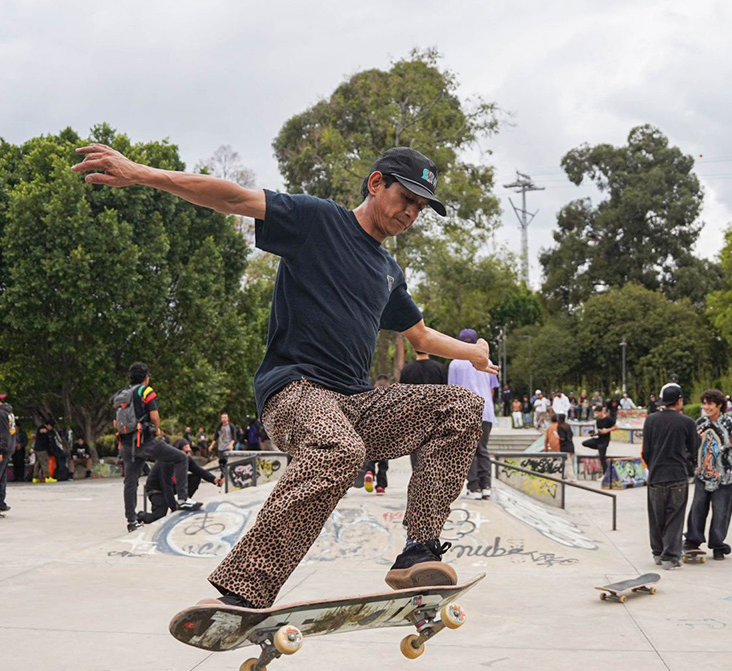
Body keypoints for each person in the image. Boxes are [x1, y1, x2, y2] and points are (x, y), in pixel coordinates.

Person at [74, 141, 493, 608]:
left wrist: (473, 354)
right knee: (340, 448)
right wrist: (142, 174)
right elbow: (233, 197)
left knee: (461, 406)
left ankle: (417, 551)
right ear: (376, 184)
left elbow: (419, 336)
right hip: (294, 391)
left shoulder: (388, 269)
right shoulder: (317, 221)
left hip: (355, 403)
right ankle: (244, 587)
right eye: (406, 199)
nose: (411, 213)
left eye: (420, 207)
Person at [118, 362, 199, 532]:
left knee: (130, 482)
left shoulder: (122, 395)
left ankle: (132, 521)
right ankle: (183, 498)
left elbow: (115, 422)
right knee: (181, 458)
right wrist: (156, 430)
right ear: (146, 377)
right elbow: (154, 416)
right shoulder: (146, 391)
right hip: (145, 441)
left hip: (127, 444)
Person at [640, 383, 699, 569]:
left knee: (656, 516)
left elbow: (646, 451)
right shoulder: (687, 422)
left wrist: (654, 465)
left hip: (656, 475)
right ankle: (670, 557)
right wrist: (685, 460)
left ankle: (657, 553)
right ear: (679, 401)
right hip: (677, 476)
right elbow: (694, 449)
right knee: (675, 516)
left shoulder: (651, 420)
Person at [686, 389, 732, 561]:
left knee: (721, 511)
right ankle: (692, 540)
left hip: (724, 476)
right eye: (704, 404)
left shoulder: (731, 425)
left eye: (710, 404)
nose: (707, 407)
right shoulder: (700, 423)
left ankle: (718, 545)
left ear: (719, 405)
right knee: (698, 508)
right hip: (702, 475)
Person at [448, 329, 496, 500]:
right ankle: (486, 486)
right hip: (486, 411)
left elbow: (452, 392)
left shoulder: (455, 363)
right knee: (482, 450)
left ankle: (473, 488)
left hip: (466, 412)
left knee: (468, 450)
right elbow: (491, 390)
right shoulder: (487, 360)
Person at [139, 438, 225, 524]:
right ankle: (139, 516)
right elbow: (166, 487)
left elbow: (199, 471)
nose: (188, 455)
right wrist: (174, 509)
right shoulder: (165, 461)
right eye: (186, 452)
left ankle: (185, 500)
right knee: (158, 517)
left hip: (171, 486)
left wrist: (215, 480)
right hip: (156, 489)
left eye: (189, 452)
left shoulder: (185, 458)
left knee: (195, 477)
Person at [581, 405, 616, 480]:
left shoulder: (608, 419)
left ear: (601, 412)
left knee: (602, 457)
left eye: (597, 413)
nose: (597, 415)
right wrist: (595, 433)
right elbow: (598, 430)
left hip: (605, 441)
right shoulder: (598, 420)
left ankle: (606, 474)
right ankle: (600, 450)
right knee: (585, 443)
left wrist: (607, 430)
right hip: (599, 439)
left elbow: (616, 427)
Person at [554, 412, 575, 478]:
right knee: (569, 462)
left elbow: (562, 438)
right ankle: (566, 475)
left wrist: (557, 436)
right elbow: (571, 435)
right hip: (571, 445)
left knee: (568, 463)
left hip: (564, 446)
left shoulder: (560, 427)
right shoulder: (567, 426)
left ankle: (570, 477)